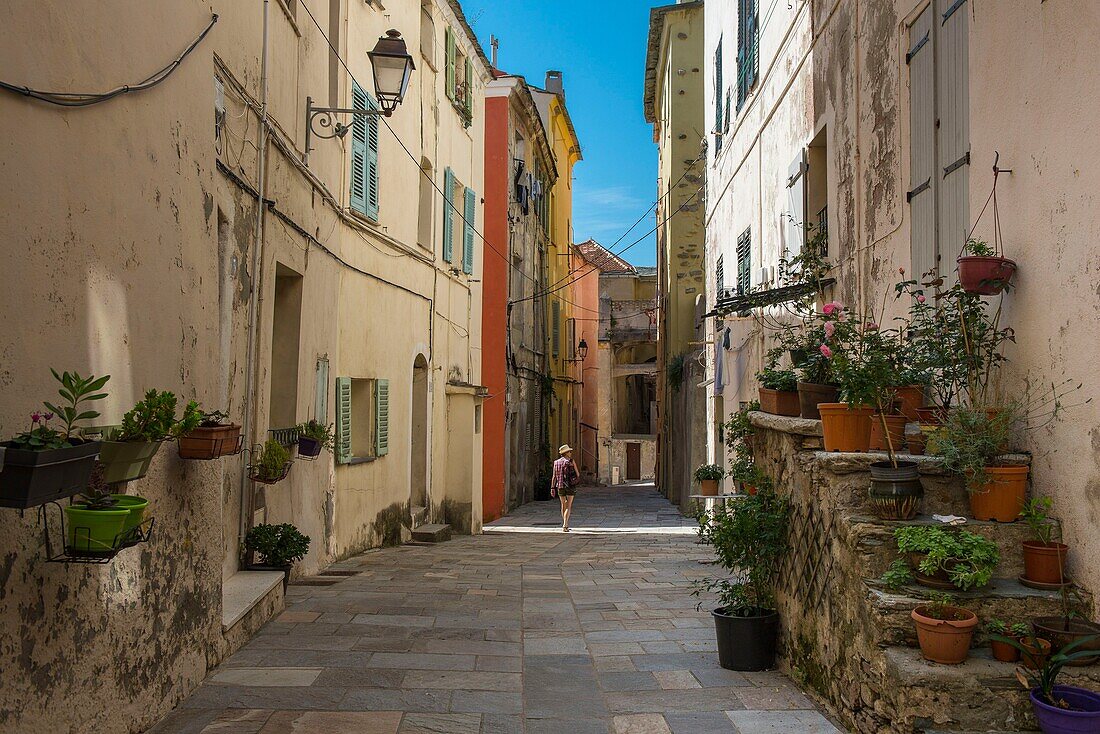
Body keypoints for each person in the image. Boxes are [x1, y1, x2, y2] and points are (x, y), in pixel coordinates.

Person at [551, 444, 580, 532]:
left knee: (563, 504)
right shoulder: (571, 461)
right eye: (569, 451)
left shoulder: (556, 462)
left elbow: (554, 476)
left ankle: (564, 522)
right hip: (570, 485)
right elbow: (577, 474)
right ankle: (565, 524)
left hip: (560, 486)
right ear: (566, 453)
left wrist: (552, 487)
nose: (570, 453)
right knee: (569, 506)